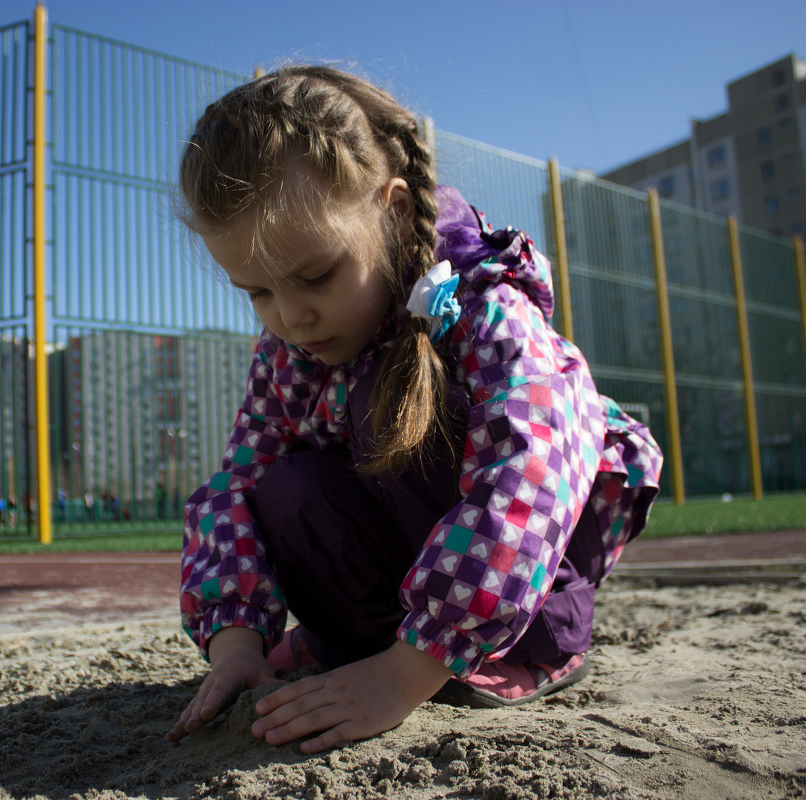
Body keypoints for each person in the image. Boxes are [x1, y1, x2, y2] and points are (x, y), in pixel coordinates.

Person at [167, 66, 663, 755]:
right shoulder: (288, 353)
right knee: (286, 484)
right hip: (388, 615)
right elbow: (240, 488)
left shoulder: (486, 309)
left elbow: (532, 478)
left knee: (390, 404)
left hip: (524, 614)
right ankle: (369, 650)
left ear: (395, 211)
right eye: (256, 292)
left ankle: (446, 654)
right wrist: (236, 644)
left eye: (315, 276)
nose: (291, 315)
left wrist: (404, 677)